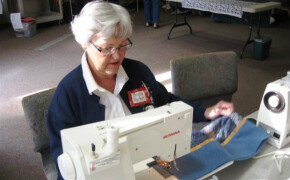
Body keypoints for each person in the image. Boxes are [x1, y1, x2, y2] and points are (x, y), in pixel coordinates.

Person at [47, 1, 234, 179]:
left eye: (122, 45)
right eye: (107, 47)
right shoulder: (66, 98)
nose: (117, 55)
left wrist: (206, 111)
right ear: (85, 44)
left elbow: (166, 102)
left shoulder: (138, 72)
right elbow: (65, 165)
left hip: (150, 164)